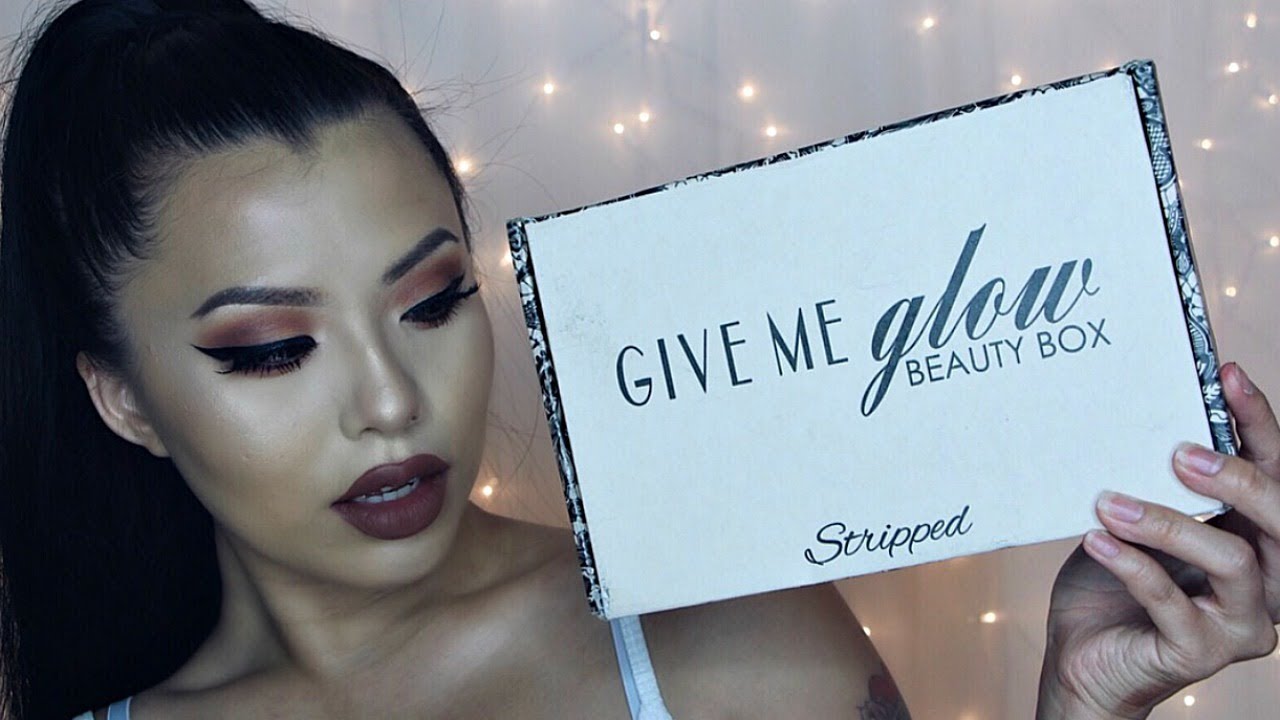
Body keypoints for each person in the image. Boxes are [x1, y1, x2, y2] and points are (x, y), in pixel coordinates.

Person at [0, 1, 1275, 718]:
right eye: (274, 349)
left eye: (432, 304)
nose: (389, 403)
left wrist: (1082, 699)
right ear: (123, 400)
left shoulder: (721, 636)